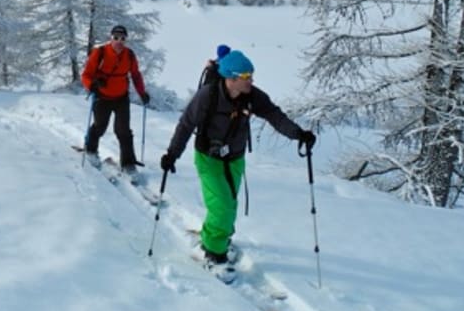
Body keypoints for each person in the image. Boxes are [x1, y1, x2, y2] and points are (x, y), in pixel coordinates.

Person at [160, 49, 316, 273]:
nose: (251, 81)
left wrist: (299, 133)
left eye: (251, 76)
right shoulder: (207, 96)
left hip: (234, 157)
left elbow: (274, 115)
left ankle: (216, 237)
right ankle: (214, 253)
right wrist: (172, 155)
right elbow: (186, 125)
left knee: (230, 205)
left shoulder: (253, 96)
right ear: (231, 78)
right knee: (222, 207)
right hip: (208, 157)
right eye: (246, 77)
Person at [81, 24, 150, 174]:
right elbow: (86, 74)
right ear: (110, 38)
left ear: (126, 40)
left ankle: (128, 163)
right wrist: (91, 85)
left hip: (121, 98)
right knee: (100, 126)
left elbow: (136, 75)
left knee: (123, 130)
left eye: (123, 38)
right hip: (102, 97)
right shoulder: (100, 53)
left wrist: (142, 93)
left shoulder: (129, 55)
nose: (119, 41)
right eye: (116, 38)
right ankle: (91, 150)